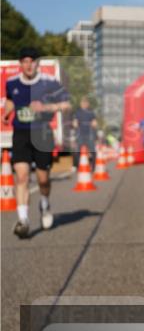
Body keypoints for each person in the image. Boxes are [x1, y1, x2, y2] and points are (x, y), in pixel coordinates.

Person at [3, 47, 71, 238]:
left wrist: (47, 107)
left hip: (42, 133)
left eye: (32, 61)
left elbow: (66, 105)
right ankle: (23, 220)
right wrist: (6, 113)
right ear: (20, 64)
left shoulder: (49, 83)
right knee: (22, 176)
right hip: (21, 134)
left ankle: (44, 203)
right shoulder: (12, 82)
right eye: (24, 61)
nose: (28, 65)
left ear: (37, 63)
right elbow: (11, 100)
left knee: (43, 179)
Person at [71, 96, 98, 169]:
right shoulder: (77, 112)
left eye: (86, 102)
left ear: (88, 104)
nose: (84, 104)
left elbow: (94, 123)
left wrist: (94, 125)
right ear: (81, 104)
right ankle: (79, 166)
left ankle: (93, 167)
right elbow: (74, 122)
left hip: (89, 134)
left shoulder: (91, 112)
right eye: (83, 102)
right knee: (77, 151)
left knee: (92, 150)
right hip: (80, 134)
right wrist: (75, 124)